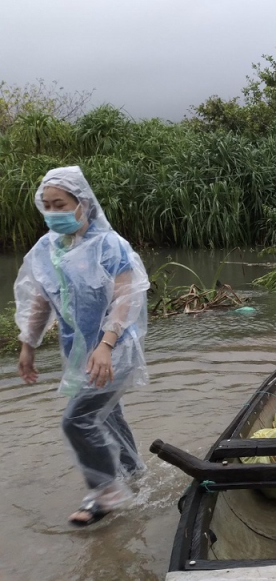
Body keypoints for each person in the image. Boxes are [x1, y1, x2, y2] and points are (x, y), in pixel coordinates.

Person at [14, 166, 150, 527]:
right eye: (47, 205)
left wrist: (106, 345)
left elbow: (126, 299)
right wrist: (28, 344)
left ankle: (106, 493)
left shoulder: (110, 245)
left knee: (77, 419)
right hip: (79, 351)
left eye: (61, 203)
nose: (53, 211)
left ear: (83, 204)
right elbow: (41, 300)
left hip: (115, 348)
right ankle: (135, 476)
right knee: (106, 413)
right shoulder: (47, 250)